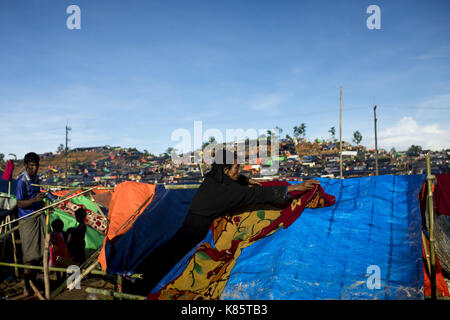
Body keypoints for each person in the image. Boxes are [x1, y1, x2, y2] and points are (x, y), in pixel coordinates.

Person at [134, 149, 320, 293]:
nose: (239, 170)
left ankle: (135, 280)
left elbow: (232, 179)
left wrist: (244, 179)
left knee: (164, 254)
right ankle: (140, 289)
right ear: (225, 169)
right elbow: (260, 195)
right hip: (195, 231)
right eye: (237, 168)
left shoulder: (212, 179)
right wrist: (296, 187)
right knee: (170, 262)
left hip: (189, 223)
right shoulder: (229, 192)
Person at [16, 152, 46, 297]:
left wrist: (43, 202)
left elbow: (38, 196)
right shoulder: (22, 181)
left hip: (38, 217)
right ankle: (27, 286)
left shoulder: (37, 179)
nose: (34, 168)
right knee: (29, 255)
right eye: (32, 165)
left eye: (36, 165)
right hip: (27, 220)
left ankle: (33, 283)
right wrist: (34, 200)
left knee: (38, 254)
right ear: (26, 165)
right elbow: (19, 203)